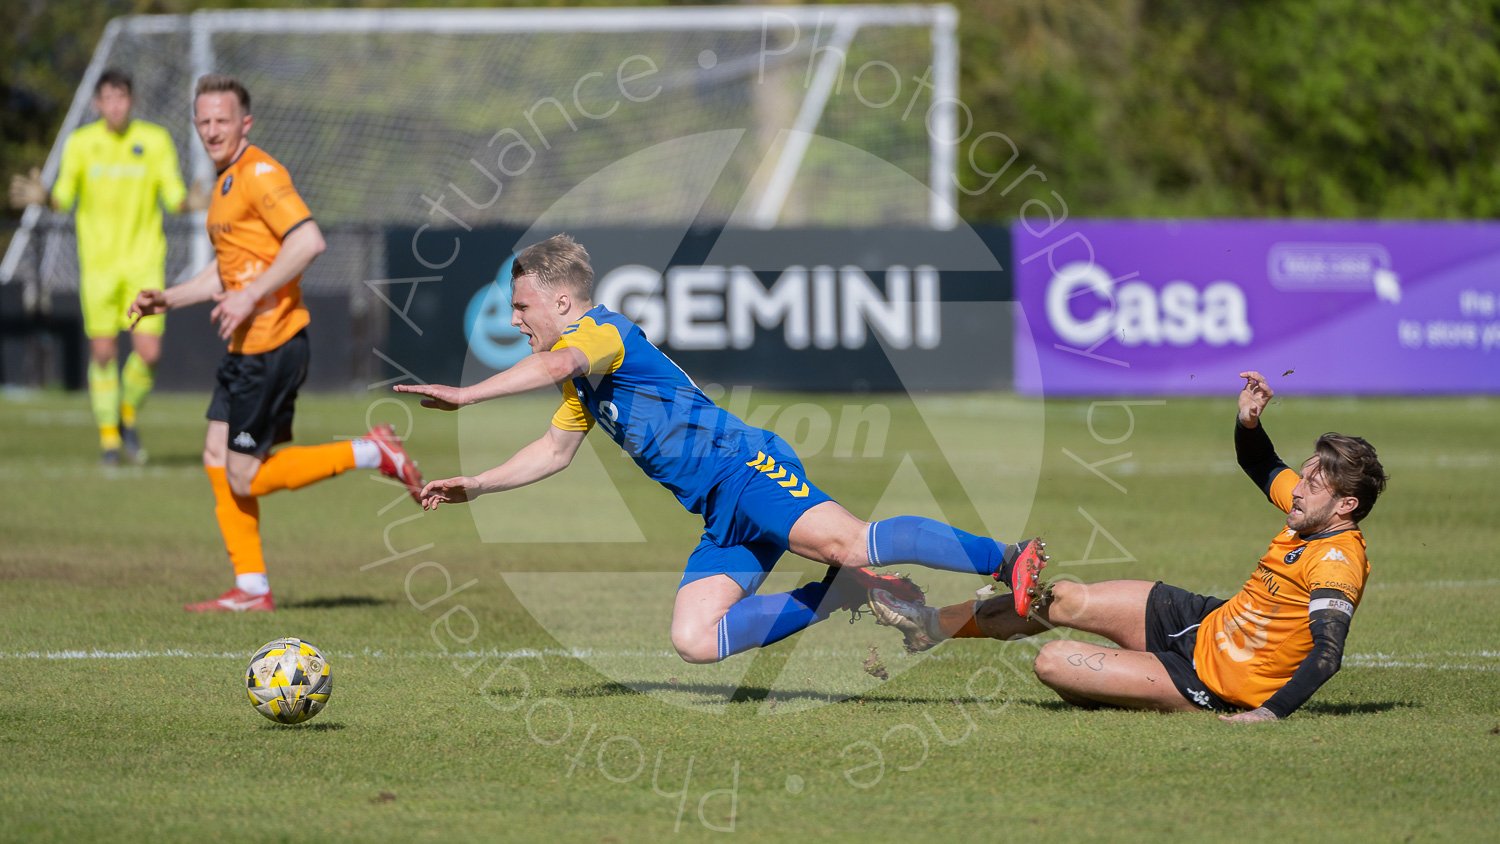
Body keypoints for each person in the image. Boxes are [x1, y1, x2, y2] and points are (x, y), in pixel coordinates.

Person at [395, 233, 1046, 663]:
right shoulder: (582, 383)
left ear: (561, 300)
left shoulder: (601, 334)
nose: (514, 320)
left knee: (851, 541)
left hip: (747, 469)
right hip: (719, 509)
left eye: (521, 306)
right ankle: (839, 595)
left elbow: (558, 360)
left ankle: (1005, 558)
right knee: (694, 639)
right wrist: (476, 484)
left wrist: (467, 395)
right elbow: (553, 451)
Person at [869, 371, 1388, 722]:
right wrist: (1248, 421)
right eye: (1303, 476)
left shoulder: (1338, 561)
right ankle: (929, 624)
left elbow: (1327, 654)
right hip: (1205, 622)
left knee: (1053, 661)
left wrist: (1268, 714)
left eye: (1313, 484)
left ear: (1345, 505)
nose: (1296, 489)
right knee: (1060, 597)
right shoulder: (1307, 514)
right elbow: (1259, 462)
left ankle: (1139, 684)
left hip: (1213, 682)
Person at [128, 74, 424, 612]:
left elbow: (308, 240)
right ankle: (251, 588)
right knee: (217, 455)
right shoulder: (224, 184)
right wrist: (168, 298)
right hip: (246, 347)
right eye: (203, 121)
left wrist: (251, 296)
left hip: (272, 345)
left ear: (245, 123)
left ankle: (372, 451)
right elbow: (227, 272)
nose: (212, 130)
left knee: (244, 476)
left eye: (222, 120)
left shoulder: (260, 173)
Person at [9, 68, 205, 464]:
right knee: (102, 353)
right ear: (97, 104)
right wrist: (44, 197)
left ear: (132, 101)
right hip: (98, 267)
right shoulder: (81, 144)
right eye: (108, 99)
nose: (115, 106)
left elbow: (174, 197)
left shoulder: (154, 140)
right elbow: (63, 198)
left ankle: (125, 414)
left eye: (121, 97)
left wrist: (192, 203)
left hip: (144, 264)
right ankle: (110, 442)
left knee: (149, 352)